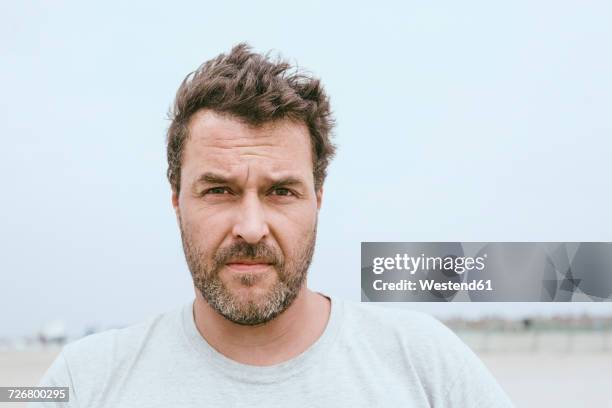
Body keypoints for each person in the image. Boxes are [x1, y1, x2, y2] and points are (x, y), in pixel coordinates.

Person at [34, 43, 514, 407]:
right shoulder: (82, 381)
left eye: (280, 192)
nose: (250, 227)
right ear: (177, 203)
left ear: (317, 202)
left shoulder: (425, 364)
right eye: (218, 190)